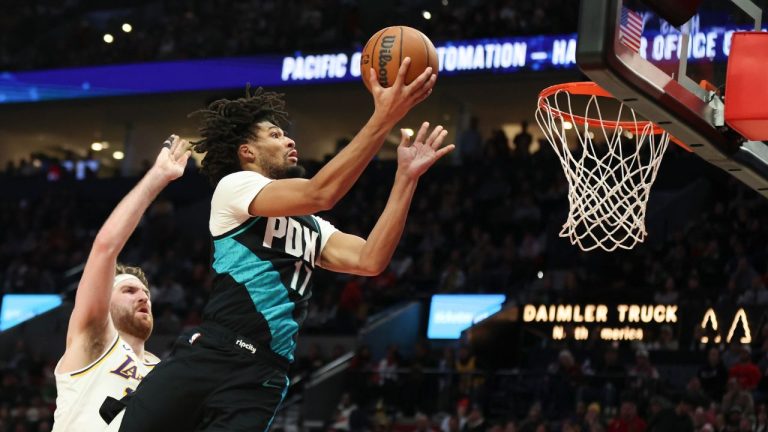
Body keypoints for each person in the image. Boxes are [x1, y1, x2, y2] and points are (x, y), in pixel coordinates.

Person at [109, 59, 447, 431]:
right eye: (274, 135)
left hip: (261, 376)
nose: (289, 140)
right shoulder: (235, 187)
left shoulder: (313, 226)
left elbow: (370, 260)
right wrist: (383, 118)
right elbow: (321, 192)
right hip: (212, 352)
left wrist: (405, 179)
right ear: (247, 152)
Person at [51, 135, 191, 431]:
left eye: (146, 292)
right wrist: (158, 176)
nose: (143, 297)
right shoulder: (94, 340)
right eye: (129, 290)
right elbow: (105, 247)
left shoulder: (161, 371)